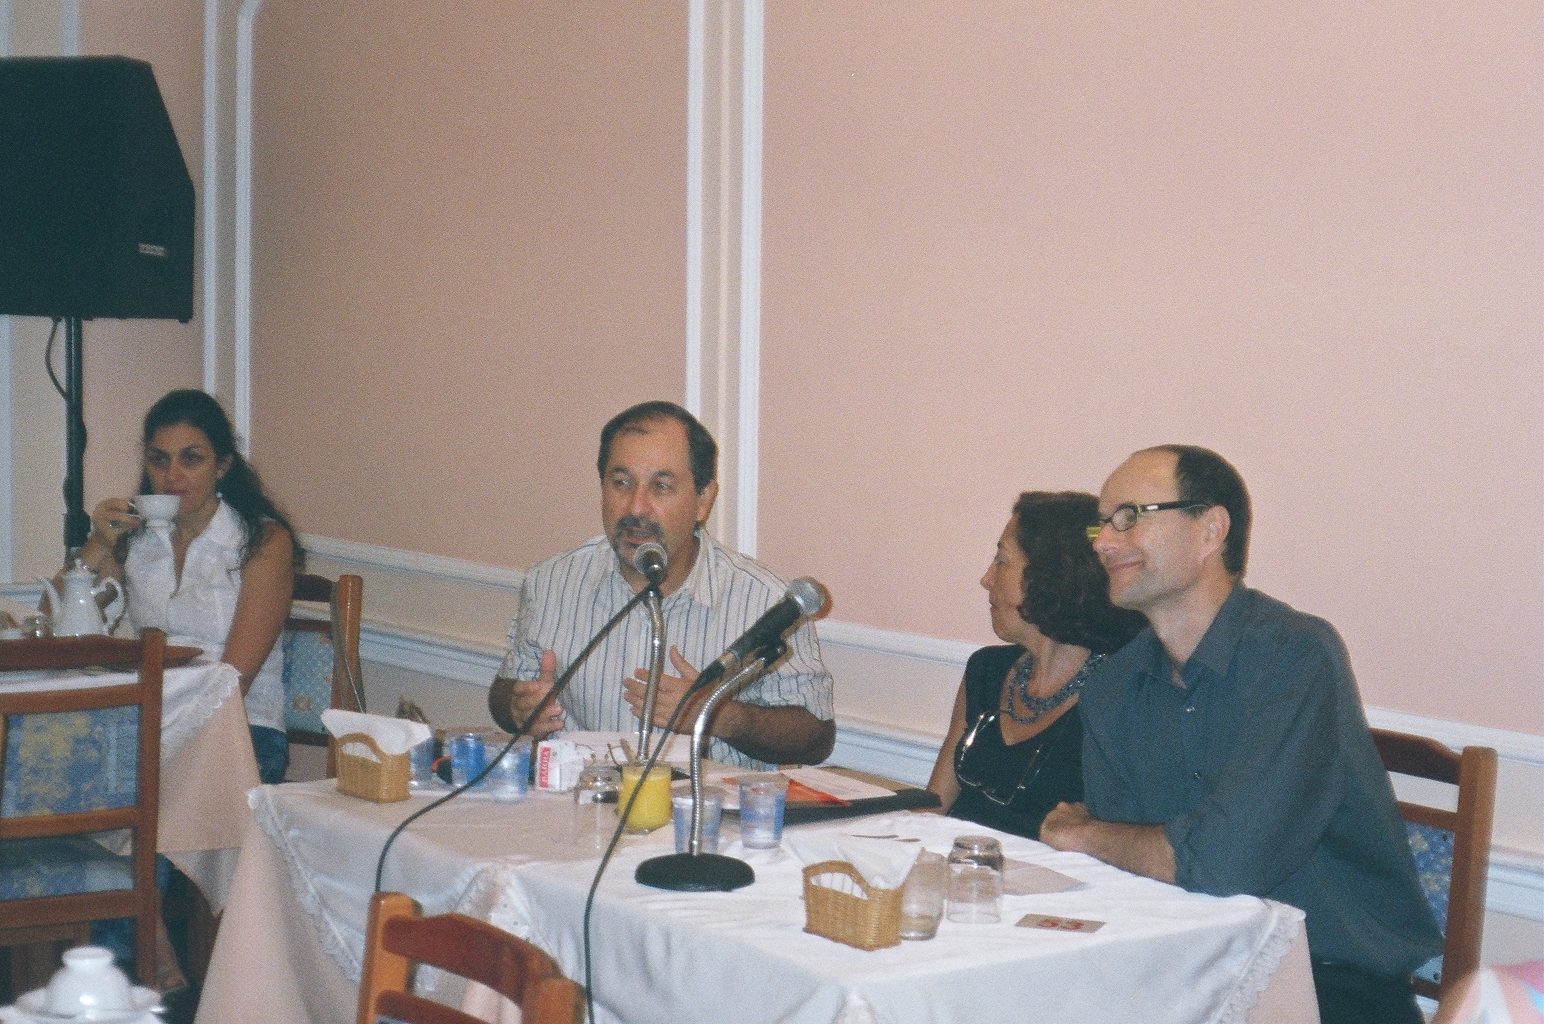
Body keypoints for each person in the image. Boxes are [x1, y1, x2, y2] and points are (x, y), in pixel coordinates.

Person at [1039, 445, 1442, 1024]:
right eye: (1100, 524)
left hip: (1326, 983)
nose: (1103, 542)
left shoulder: (1294, 656)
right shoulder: (1114, 685)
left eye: (1129, 516)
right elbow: (1123, 876)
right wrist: (1108, 843)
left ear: (1211, 530)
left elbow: (1223, 864)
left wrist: (1085, 834)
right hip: (1181, 971)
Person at [488, 401, 834, 769]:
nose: (636, 507)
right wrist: (518, 707)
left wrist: (717, 715)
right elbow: (505, 693)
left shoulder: (765, 601)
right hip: (580, 798)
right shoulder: (551, 581)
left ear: (703, 500)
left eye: (661, 487)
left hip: (702, 803)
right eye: (621, 483)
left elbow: (816, 738)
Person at [72, 389, 300, 785]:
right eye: (159, 459)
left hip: (240, 726)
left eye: (190, 459)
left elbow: (234, 680)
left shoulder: (262, 542)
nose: (172, 476)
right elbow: (57, 622)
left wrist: (158, 741)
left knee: (112, 780)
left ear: (222, 465)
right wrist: (99, 543)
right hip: (149, 716)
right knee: (55, 759)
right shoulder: (137, 539)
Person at [925, 491, 1144, 839]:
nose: (986, 579)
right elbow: (931, 809)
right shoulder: (986, 671)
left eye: (1002, 561)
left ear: (1053, 576)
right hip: (956, 861)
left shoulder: (1120, 695)